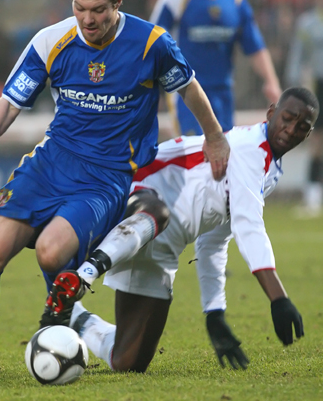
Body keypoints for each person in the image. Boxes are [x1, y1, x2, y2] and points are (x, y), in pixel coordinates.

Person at [0, 0, 229, 380]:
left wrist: (215, 137)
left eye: (97, 10)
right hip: (51, 163)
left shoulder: (152, 44)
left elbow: (189, 89)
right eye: (79, 7)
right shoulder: (51, 40)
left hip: (106, 178)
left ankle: (60, 326)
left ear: (117, 2)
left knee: (50, 250)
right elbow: (10, 102)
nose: (87, 19)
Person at [66, 87, 318, 373]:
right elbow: (250, 227)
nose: (291, 129)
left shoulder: (270, 170)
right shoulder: (250, 148)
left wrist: (214, 311)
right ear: (271, 113)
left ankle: (75, 317)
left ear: (308, 135)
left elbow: (214, 240)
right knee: (154, 214)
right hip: (135, 191)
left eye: (302, 127)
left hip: (164, 246)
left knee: (128, 361)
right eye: (287, 118)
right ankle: (80, 277)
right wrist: (279, 298)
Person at [150, 0, 282, 136]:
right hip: (186, 92)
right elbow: (152, 44)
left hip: (223, 94)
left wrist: (271, 82)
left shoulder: (236, 3)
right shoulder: (175, 0)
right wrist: (150, 86)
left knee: (222, 154)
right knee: (194, 152)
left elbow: (255, 48)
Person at [285, 0, 323, 216]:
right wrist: (295, 86)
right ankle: (312, 196)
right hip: (319, 86)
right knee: (317, 142)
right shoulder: (308, 24)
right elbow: (297, 57)